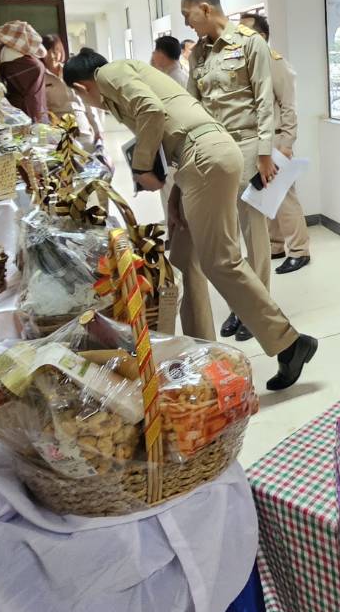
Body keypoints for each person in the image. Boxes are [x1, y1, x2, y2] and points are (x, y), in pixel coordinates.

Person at [64, 51, 317, 390]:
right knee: (184, 258)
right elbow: (169, 131)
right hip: (196, 159)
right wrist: (174, 197)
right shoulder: (122, 78)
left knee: (221, 261)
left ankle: (289, 343)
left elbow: (151, 111)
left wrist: (141, 168)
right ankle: (204, 355)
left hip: (203, 156)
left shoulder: (109, 73)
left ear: (81, 87)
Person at [179, 0, 279, 342]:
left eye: (188, 14)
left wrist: (265, 153)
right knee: (226, 236)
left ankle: (258, 310)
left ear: (205, 8)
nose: (187, 23)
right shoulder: (197, 55)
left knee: (254, 232)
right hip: (214, 151)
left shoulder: (251, 43)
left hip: (249, 147)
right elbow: (192, 104)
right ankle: (240, 303)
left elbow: (264, 99)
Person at [239, 13, 310, 275]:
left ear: (261, 36)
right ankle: (276, 244)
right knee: (266, 196)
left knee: (285, 196)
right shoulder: (248, 62)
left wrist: (287, 143)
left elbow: (288, 105)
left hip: (277, 138)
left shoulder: (274, 62)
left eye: (246, 32)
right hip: (259, 140)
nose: (240, 38)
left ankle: (299, 250)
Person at [40, 33, 104, 149]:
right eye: (48, 52)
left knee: (92, 157)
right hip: (59, 129)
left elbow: (88, 102)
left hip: (83, 125)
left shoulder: (71, 72)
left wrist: (98, 130)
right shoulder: (40, 78)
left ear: (61, 51)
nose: (52, 55)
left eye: (55, 51)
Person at [0, 20, 48, 121]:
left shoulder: (26, 51)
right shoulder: (9, 51)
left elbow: (42, 51)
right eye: (26, 32)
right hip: (24, 110)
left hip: (37, 107)